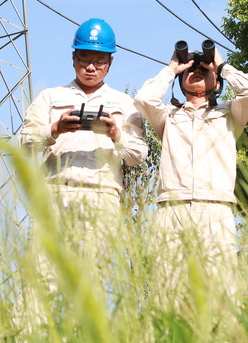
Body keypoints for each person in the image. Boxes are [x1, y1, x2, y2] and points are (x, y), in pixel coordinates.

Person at [15, 18, 148, 326]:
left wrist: (115, 133)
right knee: (41, 279)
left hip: (101, 196)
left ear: (110, 62)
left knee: (92, 283)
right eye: (84, 59)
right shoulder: (50, 97)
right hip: (55, 193)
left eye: (99, 61)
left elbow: (138, 155)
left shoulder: (123, 103)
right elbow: (22, 144)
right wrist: (54, 129)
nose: (91, 67)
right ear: (73, 57)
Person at [134, 43, 248, 309]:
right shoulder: (169, 116)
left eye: (203, 69)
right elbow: (144, 99)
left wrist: (221, 66)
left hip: (215, 209)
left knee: (222, 294)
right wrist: (172, 68)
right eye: (190, 69)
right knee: (167, 293)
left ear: (217, 82)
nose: (196, 71)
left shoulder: (230, 113)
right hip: (173, 209)